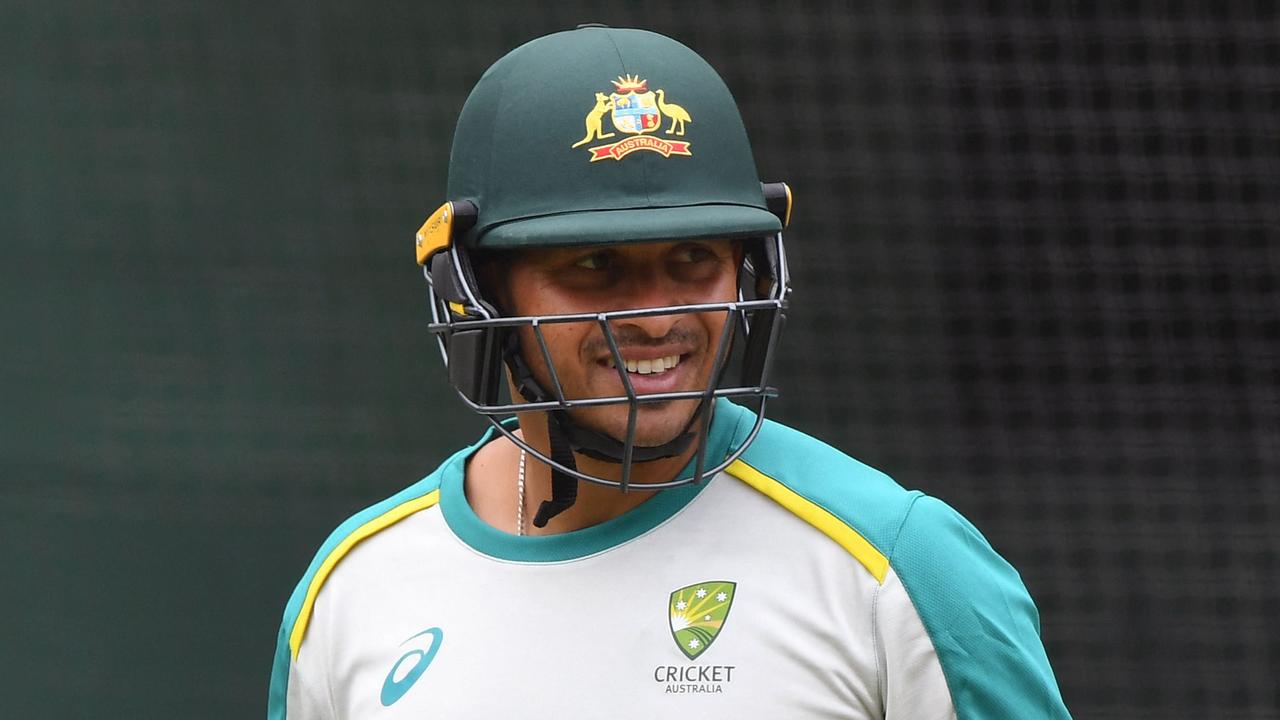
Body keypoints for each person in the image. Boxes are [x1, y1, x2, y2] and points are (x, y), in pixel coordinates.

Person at [268, 25, 1071, 719]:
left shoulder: (898, 566)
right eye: (596, 265)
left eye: (693, 259)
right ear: (475, 288)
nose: (655, 316)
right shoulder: (354, 591)